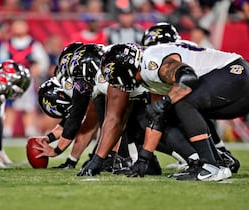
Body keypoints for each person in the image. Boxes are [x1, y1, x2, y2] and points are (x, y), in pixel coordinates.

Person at [100, 41, 248, 181]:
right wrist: (143, 159)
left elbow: (187, 77)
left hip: (234, 73)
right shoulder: (148, 75)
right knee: (172, 108)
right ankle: (216, 162)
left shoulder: (151, 63)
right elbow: (157, 118)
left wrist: (166, 101)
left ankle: (211, 166)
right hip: (233, 77)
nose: (118, 85)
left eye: (117, 79)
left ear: (126, 70)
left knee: (182, 101)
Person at [0, 19, 49, 137]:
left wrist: (38, 68)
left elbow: (43, 61)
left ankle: (30, 129)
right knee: (10, 105)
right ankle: (7, 129)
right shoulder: (7, 44)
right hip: (12, 80)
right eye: (17, 25)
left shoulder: (34, 44)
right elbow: (2, 61)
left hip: (28, 80)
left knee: (29, 106)